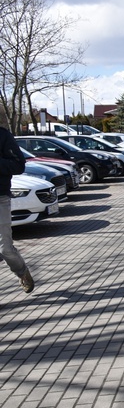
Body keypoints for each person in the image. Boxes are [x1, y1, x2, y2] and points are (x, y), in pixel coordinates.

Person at [0, 126, 35, 294]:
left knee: (5, 249)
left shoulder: (3, 135)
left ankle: (22, 272)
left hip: (0, 198)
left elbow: (18, 165)